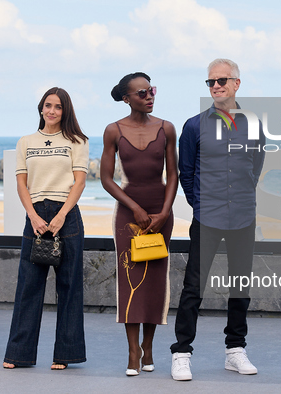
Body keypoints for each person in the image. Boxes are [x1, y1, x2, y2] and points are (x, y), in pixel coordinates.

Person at [170, 59, 264, 381]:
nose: (216, 86)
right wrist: (201, 204)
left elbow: (255, 166)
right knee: (193, 287)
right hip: (207, 218)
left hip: (242, 217)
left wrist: (238, 197)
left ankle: (235, 350)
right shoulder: (194, 125)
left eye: (222, 80)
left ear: (237, 83)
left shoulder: (253, 125)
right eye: (210, 82)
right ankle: (182, 352)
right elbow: (187, 173)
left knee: (240, 285)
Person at [3, 87, 89, 370]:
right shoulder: (25, 142)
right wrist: (32, 215)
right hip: (36, 216)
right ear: (41, 108)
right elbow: (21, 183)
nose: (52, 111)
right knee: (29, 285)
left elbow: (78, 182)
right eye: (48, 105)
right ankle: (18, 354)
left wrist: (62, 215)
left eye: (58, 107)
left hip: (67, 215)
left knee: (69, 286)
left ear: (65, 111)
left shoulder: (77, 141)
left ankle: (65, 355)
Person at [101, 72, 178, 376]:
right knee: (131, 282)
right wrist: (134, 207)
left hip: (161, 214)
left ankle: (149, 348)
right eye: (143, 92)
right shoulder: (113, 131)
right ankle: (133, 352)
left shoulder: (166, 128)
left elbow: (173, 175)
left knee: (156, 282)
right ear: (127, 98)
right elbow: (106, 178)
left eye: (152, 90)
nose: (150, 96)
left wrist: (163, 213)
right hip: (128, 216)